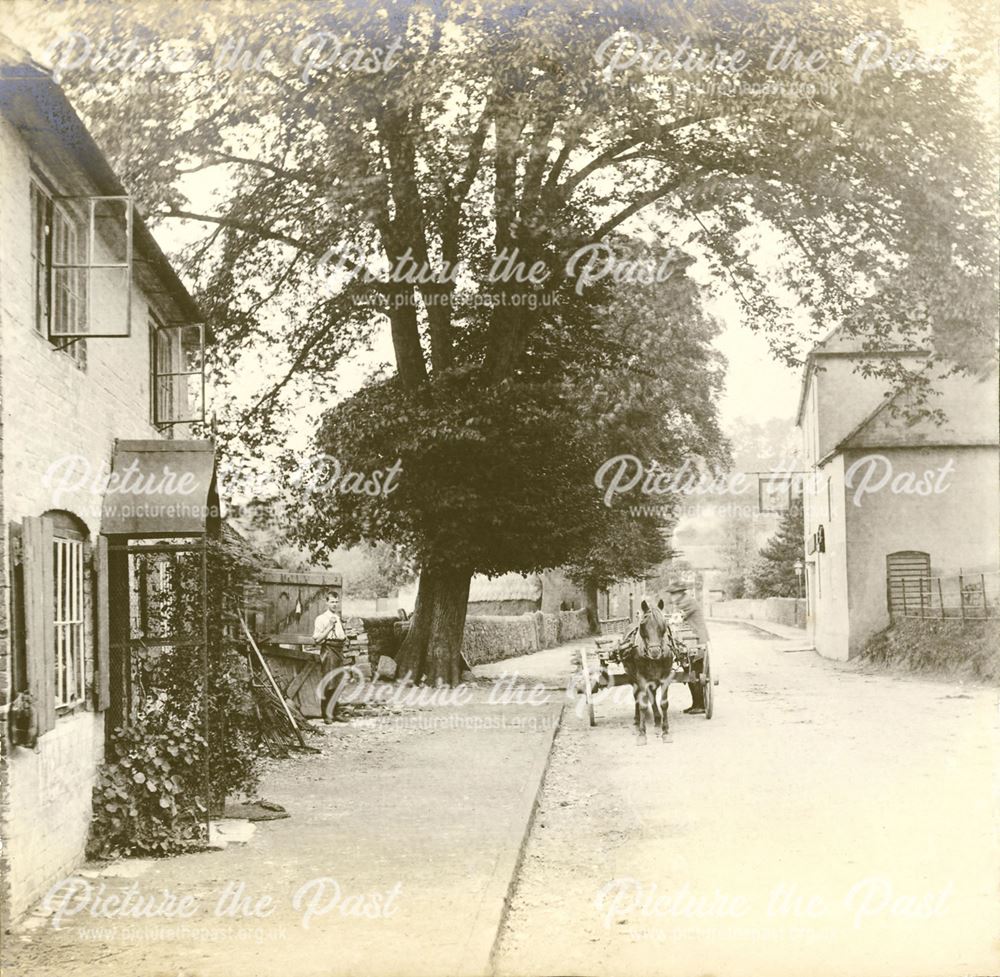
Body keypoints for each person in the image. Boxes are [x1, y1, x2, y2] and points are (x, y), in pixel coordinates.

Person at [666, 579, 709, 714]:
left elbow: (677, 619)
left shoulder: (687, 602)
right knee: (689, 671)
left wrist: (667, 621)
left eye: (673, 594)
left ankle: (700, 705)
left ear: (680, 593)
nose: (671, 597)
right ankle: (695, 704)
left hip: (697, 641)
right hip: (690, 640)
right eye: (671, 594)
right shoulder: (682, 602)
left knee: (694, 672)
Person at [313, 592, 347, 722]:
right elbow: (318, 639)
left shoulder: (337, 617)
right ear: (326, 603)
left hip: (339, 650)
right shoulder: (321, 619)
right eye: (332, 602)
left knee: (339, 682)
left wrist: (345, 638)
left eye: (336, 602)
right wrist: (330, 626)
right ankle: (326, 714)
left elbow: (341, 635)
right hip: (329, 650)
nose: (335, 604)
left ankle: (335, 712)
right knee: (329, 682)